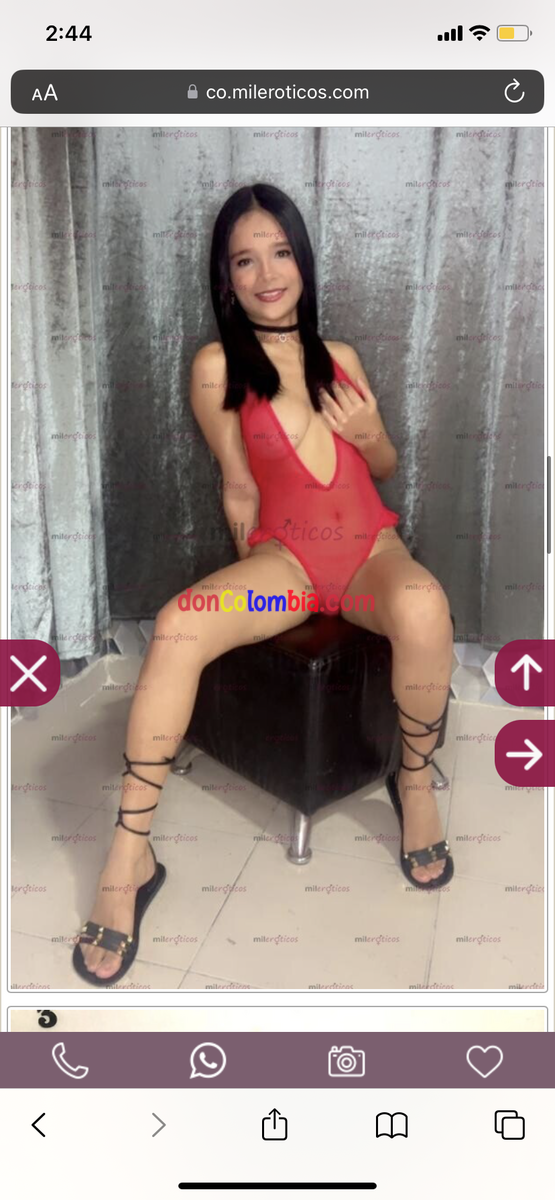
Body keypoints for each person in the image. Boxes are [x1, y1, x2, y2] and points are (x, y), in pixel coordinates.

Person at [73, 183, 454, 986]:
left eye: (279, 252)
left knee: (423, 604)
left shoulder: (341, 357)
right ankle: (129, 856)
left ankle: (414, 782)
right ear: (226, 278)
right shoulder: (216, 366)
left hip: (369, 554)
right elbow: (239, 484)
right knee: (180, 623)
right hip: (289, 564)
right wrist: (255, 584)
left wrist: (370, 433)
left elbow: (383, 465)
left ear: (302, 260)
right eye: (244, 260)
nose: (266, 273)